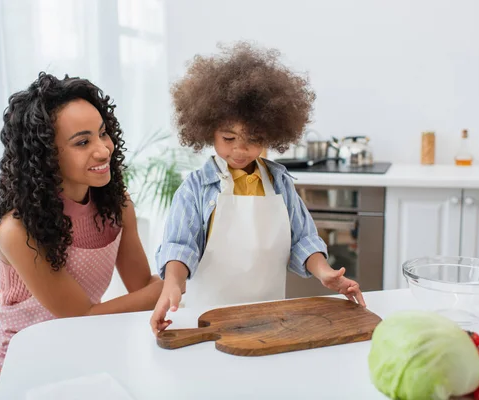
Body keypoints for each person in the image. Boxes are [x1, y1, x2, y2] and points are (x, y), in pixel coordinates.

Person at [150, 42, 366, 334]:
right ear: (207, 130)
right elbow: (180, 246)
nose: (239, 150)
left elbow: (303, 239)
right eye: (228, 138)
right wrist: (172, 285)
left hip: (271, 318)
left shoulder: (280, 183)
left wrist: (325, 273)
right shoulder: (196, 188)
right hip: (209, 319)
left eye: (253, 139)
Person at [0, 72, 163, 399]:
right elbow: (81, 314)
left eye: (103, 134)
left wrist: (164, 284)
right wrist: (167, 285)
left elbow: (140, 289)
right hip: (22, 361)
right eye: (82, 142)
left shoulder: (117, 207)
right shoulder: (18, 230)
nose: (104, 150)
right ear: (44, 154)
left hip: (81, 342)